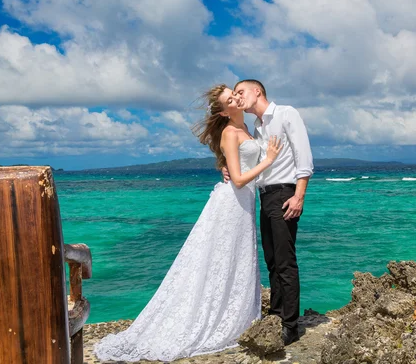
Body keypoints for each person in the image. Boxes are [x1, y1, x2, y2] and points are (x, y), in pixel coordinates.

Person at [93, 84, 282, 362]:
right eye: (230, 99)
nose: (236, 98)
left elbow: (237, 169)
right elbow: (240, 179)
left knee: (235, 261)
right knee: (216, 261)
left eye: (236, 94)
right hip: (231, 204)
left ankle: (234, 315)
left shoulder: (249, 130)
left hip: (243, 205)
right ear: (222, 110)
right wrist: (268, 161)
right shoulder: (230, 132)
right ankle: (209, 318)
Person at [223, 79, 313, 345]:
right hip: (265, 197)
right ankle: (275, 315)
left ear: (257, 91)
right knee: (272, 260)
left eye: (240, 92)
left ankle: (290, 325)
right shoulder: (257, 127)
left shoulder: (286, 113)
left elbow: (303, 156)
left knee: (285, 261)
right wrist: (227, 168)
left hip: (285, 194)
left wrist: (299, 195)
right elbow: (253, 162)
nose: (238, 98)